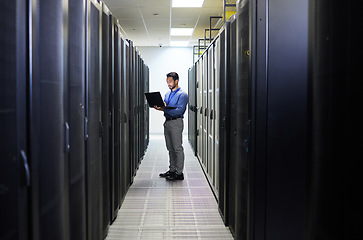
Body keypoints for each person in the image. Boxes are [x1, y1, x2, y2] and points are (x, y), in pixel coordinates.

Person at [154, 72, 188, 180]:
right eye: (167, 81)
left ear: (176, 81)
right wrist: (160, 107)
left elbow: (179, 111)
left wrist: (165, 109)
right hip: (167, 122)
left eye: (170, 81)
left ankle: (179, 173)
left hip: (176, 123)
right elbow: (166, 107)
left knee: (177, 148)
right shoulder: (167, 94)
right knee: (170, 148)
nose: (168, 84)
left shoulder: (183, 95)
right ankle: (172, 170)